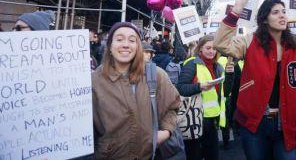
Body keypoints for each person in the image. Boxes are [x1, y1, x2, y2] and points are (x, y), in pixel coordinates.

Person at [214, 0, 296, 160]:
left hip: (288, 126)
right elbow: (221, 44)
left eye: (284, 11)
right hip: (255, 126)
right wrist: (236, 12)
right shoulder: (250, 42)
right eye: (275, 12)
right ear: (264, 19)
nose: (282, 15)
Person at [92, 22, 180, 159]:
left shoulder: (156, 75)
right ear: (109, 46)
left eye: (132, 40)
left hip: (149, 155)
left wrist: (166, 131)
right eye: (119, 39)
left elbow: (172, 106)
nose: (126, 44)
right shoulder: (93, 81)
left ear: (138, 47)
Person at [177, 35, 233, 160]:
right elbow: (180, 88)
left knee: (212, 155)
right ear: (200, 48)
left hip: (213, 120)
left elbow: (225, 91)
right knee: (194, 155)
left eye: (214, 48)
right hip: (195, 119)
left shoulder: (218, 66)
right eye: (208, 48)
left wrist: (230, 75)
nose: (211, 51)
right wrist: (199, 86)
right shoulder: (191, 64)